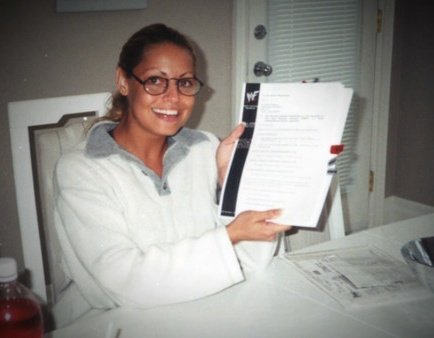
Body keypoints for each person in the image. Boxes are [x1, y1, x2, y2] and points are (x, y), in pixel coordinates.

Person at [52, 23, 290, 327]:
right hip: (109, 323)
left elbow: (252, 263)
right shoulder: (81, 170)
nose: (173, 97)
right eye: (155, 81)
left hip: (204, 310)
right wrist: (230, 235)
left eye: (185, 83)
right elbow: (124, 282)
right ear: (123, 81)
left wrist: (236, 185)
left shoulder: (206, 149)